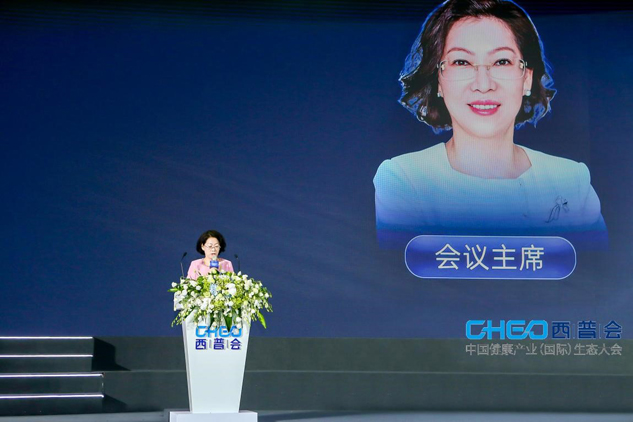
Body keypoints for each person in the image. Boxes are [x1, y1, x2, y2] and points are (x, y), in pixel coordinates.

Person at [373, 0, 606, 249]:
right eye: (462, 62)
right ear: (438, 80)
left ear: (527, 78)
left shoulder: (571, 181)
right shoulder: (404, 179)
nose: (483, 85)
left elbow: (596, 267)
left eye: (501, 62)